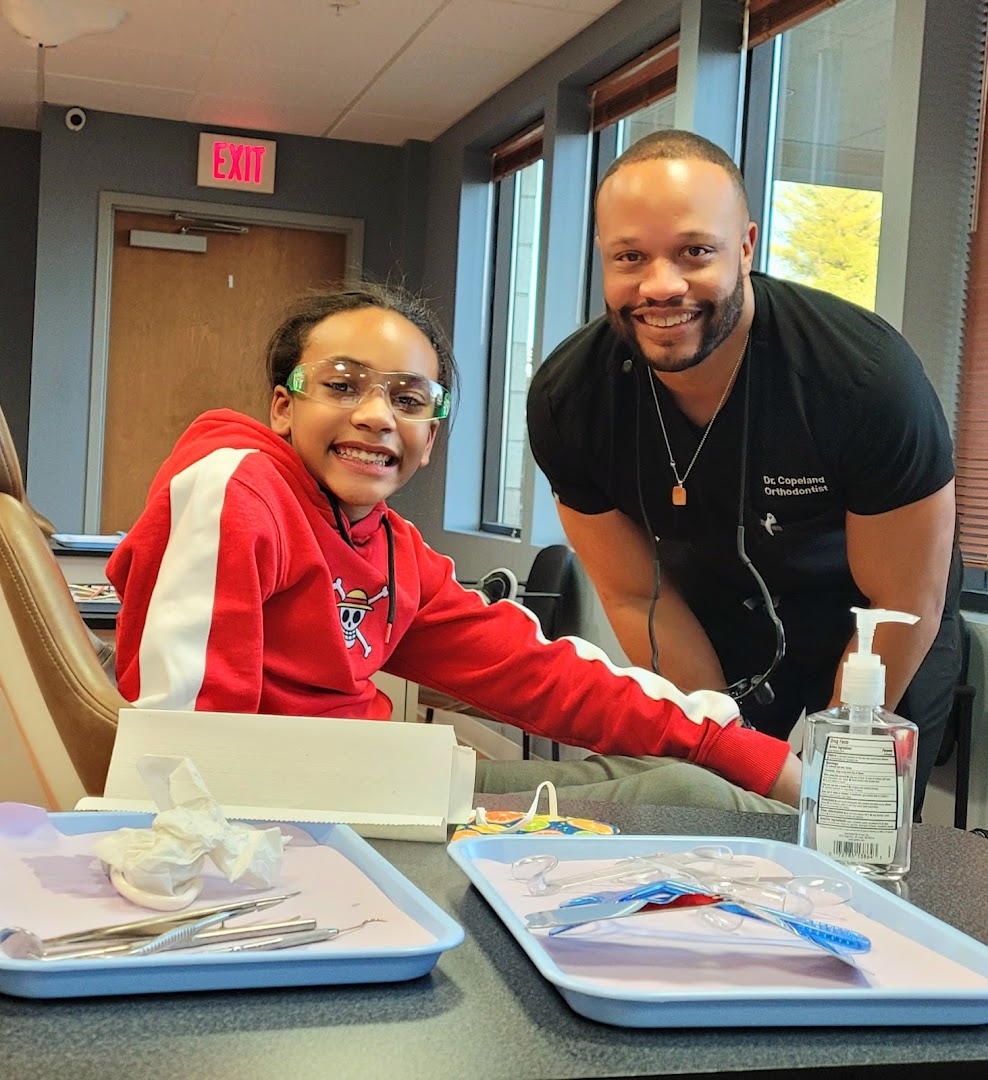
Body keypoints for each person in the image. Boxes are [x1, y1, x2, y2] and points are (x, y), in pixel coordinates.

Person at [107, 281, 800, 812]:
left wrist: (742, 751)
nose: (377, 416)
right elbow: (185, 748)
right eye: (342, 386)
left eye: (409, 400)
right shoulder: (240, 488)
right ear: (283, 407)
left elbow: (543, 675)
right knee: (687, 798)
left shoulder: (393, 552)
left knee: (685, 774)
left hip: (375, 783)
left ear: (430, 438)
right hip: (307, 820)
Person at [526, 130, 961, 814]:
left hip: (880, 633)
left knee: (850, 826)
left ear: (748, 246)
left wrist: (822, 780)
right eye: (630, 257)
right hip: (708, 618)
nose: (662, 285)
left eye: (695, 251)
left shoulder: (865, 379)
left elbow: (901, 603)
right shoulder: (570, 402)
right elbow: (637, 596)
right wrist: (725, 752)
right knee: (704, 804)